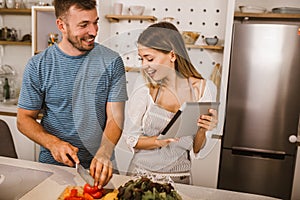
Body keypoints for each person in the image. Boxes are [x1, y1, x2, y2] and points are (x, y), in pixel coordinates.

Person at [16, 0, 128, 189]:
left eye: (95, 22)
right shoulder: (38, 65)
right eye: (84, 25)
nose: (93, 31)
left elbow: (115, 118)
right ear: (61, 26)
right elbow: (23, 119)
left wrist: (104, 152)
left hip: (101, 170)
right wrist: (53, 143)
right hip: (53, 170)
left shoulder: (112, 61)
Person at [123, 22, 218, 184]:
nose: (145, 65)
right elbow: (131, 139)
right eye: (141, 59)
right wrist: (157, 141)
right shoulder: (145, 86)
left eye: (150, 58)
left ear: (172, 55)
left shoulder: (204, 88)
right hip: (141, 177)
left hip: (180, 179)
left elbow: (196, 149)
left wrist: (203, 129)